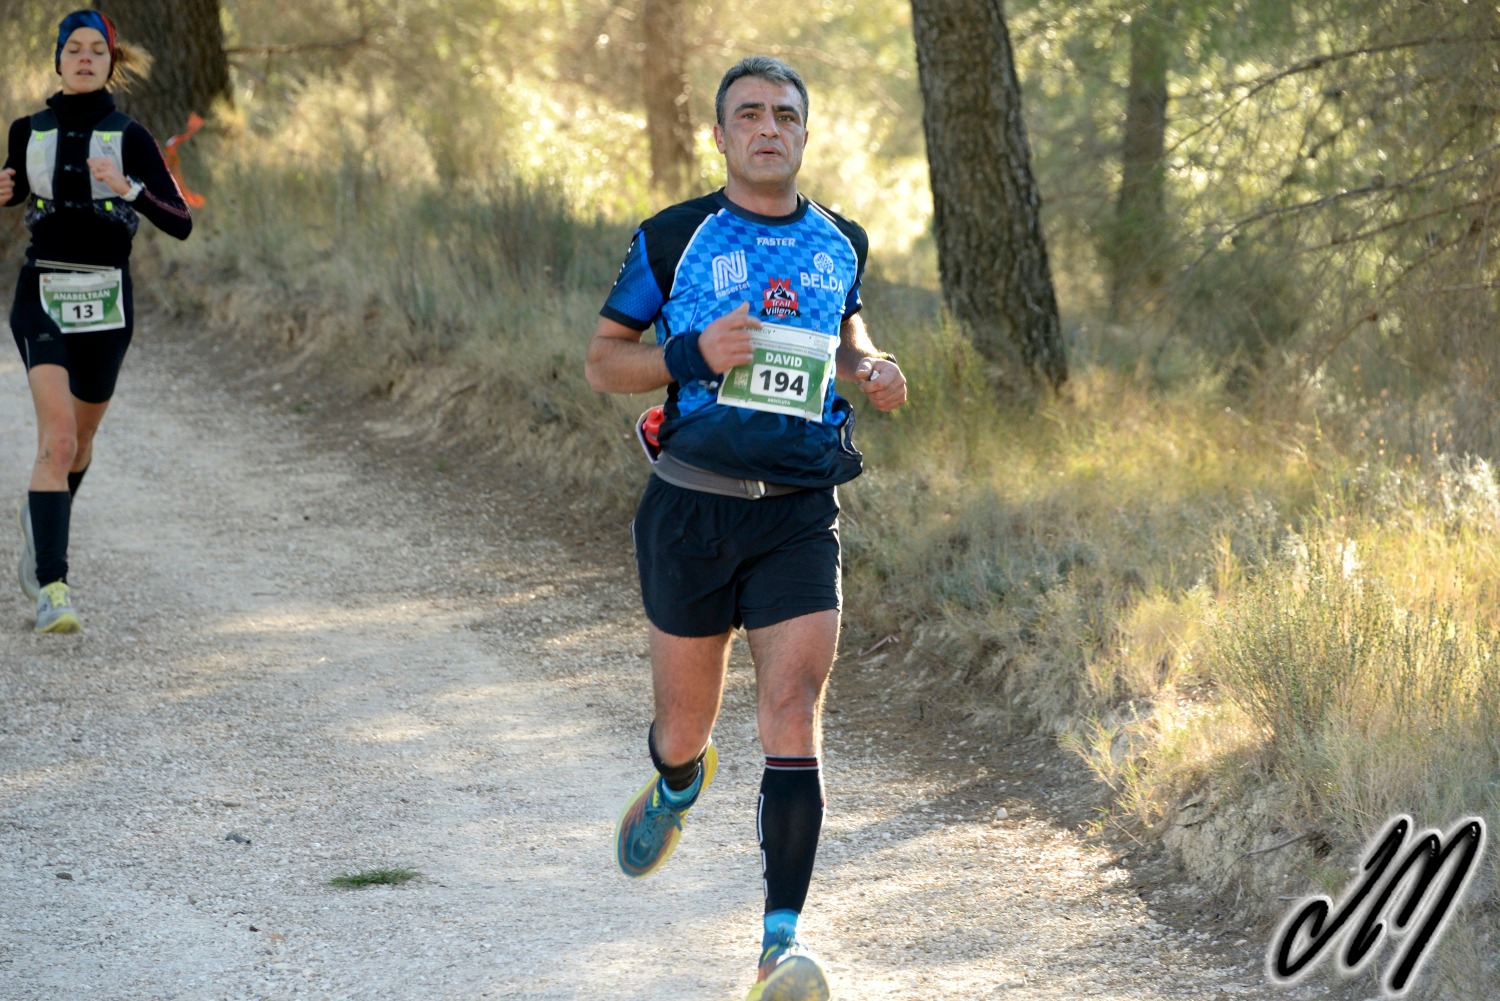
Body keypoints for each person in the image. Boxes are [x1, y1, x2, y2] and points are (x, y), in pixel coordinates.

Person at [585, 55, 906, 1001]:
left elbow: (845, 336)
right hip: (692, 505)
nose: (770, 128)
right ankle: (679, 780)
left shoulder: (840, 240)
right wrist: (690, 352)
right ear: (720, 135)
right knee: (684, 727)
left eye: (786, 115)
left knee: (792, 709)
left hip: (800, 509)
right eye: (751, 114)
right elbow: (604, 361)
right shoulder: (674, 236)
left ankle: (780, 945)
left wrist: (870, 366)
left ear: (805, 133)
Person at [1, 10, 192, 633]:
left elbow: (181, 221)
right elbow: (15, 192)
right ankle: (52, 587)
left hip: (107, 301)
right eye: (74, 49)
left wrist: (129, 188)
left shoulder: (130, 136)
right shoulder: (27, 131)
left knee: (80, 444)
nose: (85, 59)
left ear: (111, 64)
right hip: (42, 290)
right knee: (57, 440)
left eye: (97, 51)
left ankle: (40, 524)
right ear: (58, 59)